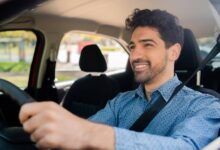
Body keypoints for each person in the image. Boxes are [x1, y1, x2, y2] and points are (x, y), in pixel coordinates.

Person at [19, 9, 220, 150]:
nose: (135, 55)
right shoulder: (120, 102)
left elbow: (186, 147)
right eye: (132, 46)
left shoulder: (205, 105)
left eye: (147, 44)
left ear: (174, 52)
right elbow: (83, 130)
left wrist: (90, 135)